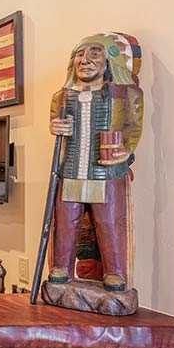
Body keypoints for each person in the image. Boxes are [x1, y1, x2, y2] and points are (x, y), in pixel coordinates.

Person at [48, 34, 143, 292]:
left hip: (106, 170)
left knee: (108, 221)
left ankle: (115, 272)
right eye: (80, 54)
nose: (85, 60)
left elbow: (133, 127)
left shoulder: (124, 94)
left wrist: (126, 150)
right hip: (71, 168)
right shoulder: (62, 96)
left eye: (94, 54)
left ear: (110, 60)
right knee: (66, 220)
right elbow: (57, 128)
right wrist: (56, 126)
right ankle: (61, 268)